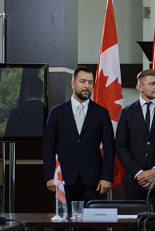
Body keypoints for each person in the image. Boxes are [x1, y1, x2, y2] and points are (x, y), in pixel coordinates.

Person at [42, 66, 115, 206]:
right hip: (62, 179)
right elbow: (48, 147)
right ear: (73, 83)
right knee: (61, 224)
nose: (86, 86)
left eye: (90, 82)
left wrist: (106, 177)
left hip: (92, 181)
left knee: (88, 225)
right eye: (82, 81)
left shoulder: (102, 113)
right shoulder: (57, 112)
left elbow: (109, 148)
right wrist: (49, 176)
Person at [116, 69, 155, 213]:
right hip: (134, 180)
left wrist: (154, 170)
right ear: (139, 87)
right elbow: (120, 146)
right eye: (152, 84)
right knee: (133, 229)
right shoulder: (126, 113)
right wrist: (139, 173)